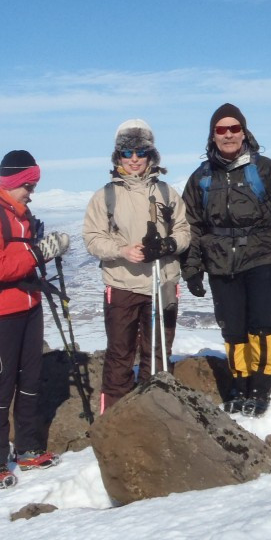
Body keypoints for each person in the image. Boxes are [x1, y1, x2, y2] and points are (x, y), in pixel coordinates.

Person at [181, 104, 271, 417]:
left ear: (244, 132)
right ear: (212, 135)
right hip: (220, 262)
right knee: (232, 328)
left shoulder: (265, 170)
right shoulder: (201, 178)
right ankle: (239, 385)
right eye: (221, 130)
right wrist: (192, 268)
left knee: (261, 324)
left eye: (234, 128)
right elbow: (190, 226)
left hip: (262, 256)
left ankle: (260, 389)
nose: (228, 135)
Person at [0, 149, 69, 488]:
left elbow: (22, 259)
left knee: (30, 381)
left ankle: (27, 449)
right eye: (29, 185)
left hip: (29, 307)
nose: (31, 192)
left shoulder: (22, 215)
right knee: (2, 384)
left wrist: (45, 252)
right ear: (13, 181)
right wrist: (37, 253)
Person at [83, 119, 191, 412]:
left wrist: (168, 246)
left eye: (140, 152)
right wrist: (122, 251)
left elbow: (183, 231)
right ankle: (114, 421)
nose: (134, 159)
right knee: (120, 354)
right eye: (127, 152)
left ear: (150, 155)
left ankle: (155, 414)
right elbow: (93, 238)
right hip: (122, 284)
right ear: (117, 156)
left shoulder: (167, 193)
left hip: (162, 282)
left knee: (158, 354)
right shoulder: (105, 196)